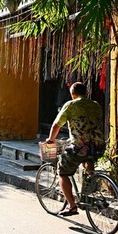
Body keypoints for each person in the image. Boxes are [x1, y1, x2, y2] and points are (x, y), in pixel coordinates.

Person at [44, 82, 105, 217]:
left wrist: (50, 140)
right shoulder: (95, 105)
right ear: (86, 93)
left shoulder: (71, 105)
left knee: (62, 172)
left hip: (80, 147)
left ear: (73, 94)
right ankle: (89, 186)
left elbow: (56, 125)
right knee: (88, 159)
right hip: (98, 146)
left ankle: (72, 207)